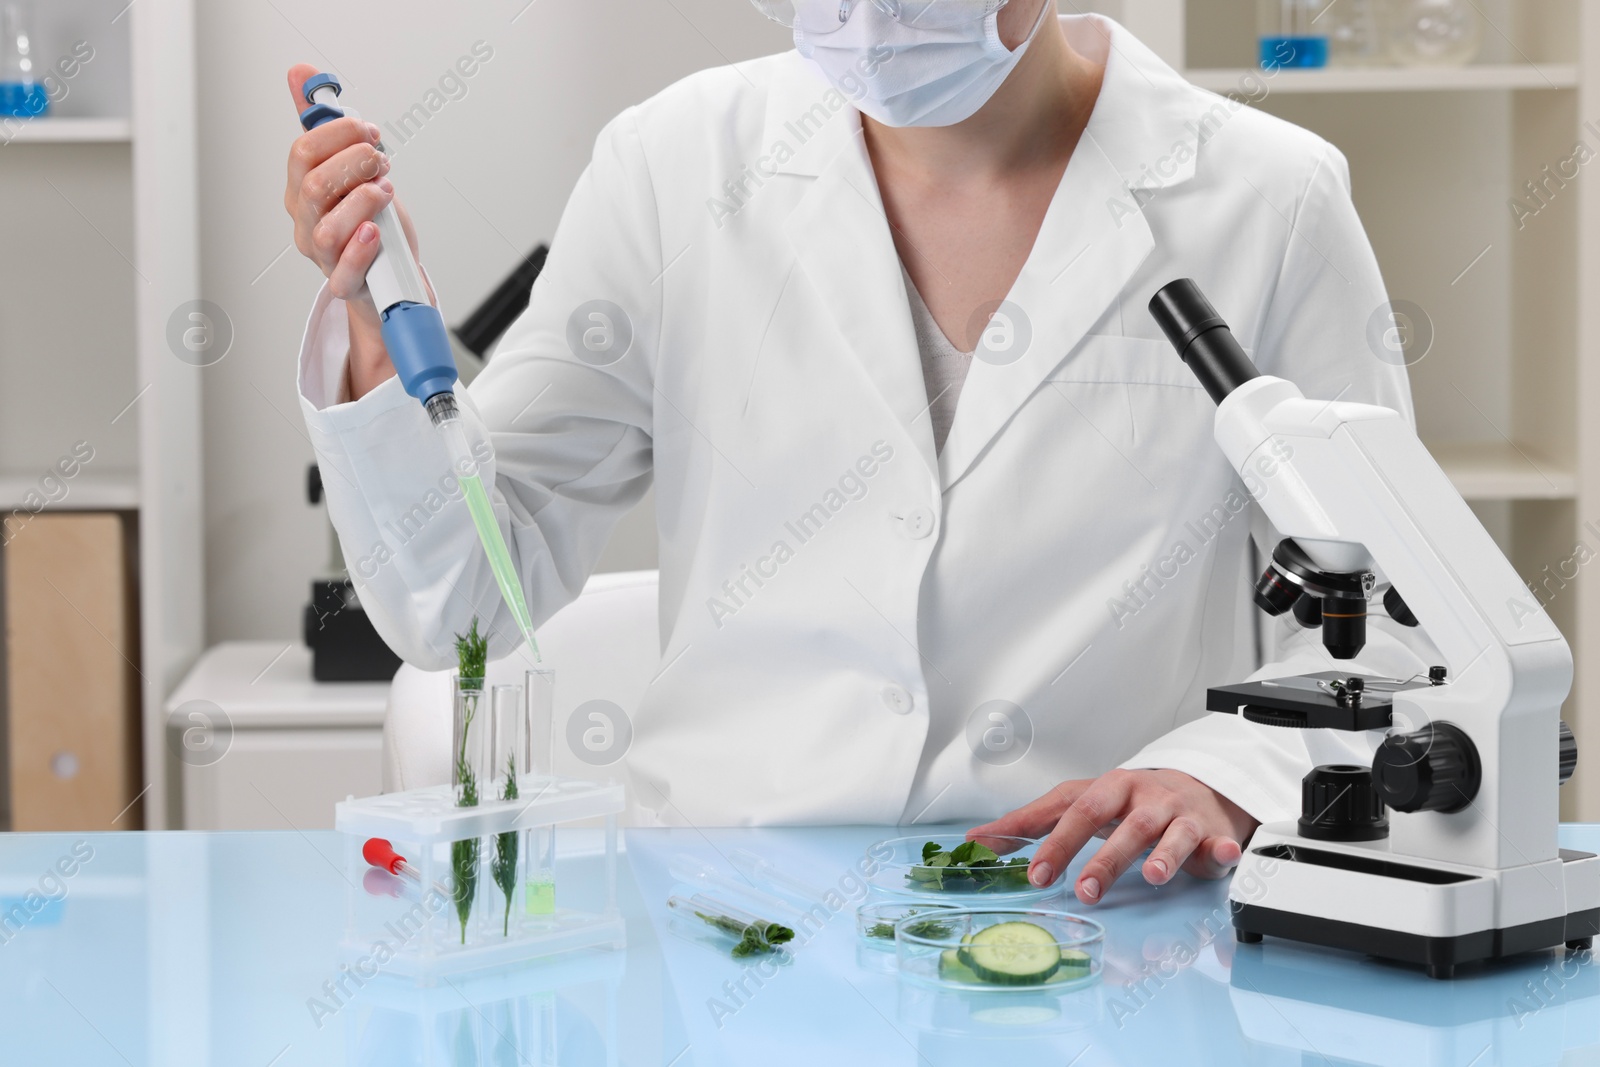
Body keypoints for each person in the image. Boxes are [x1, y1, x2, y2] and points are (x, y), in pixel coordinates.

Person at [283, 2, 1422, 905]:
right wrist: (383, 364)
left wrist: (1221, 772)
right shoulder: (671, 167)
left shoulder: (1268, 197)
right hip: (731, 919)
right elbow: (465, 600)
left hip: (1098, 913)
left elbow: (1388, 629)